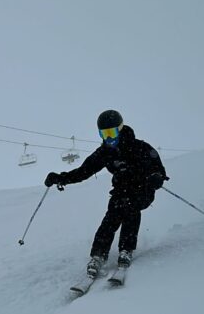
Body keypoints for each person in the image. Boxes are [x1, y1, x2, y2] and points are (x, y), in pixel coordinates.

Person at [45, 110, 168, 276]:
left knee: (130, 206)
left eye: (112, 132)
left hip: (143, 188)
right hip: (121, 189)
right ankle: (98, 254)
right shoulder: (104, 152)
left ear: (121, 128)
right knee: (113, 213)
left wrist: (156, 177)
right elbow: (84, 171)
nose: (109, 138)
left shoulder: (140, 147)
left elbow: (157, 167)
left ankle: (126, 250)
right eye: (104, 134)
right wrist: (61, 178)